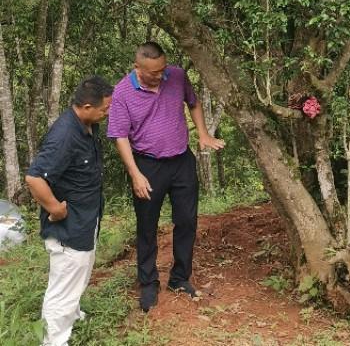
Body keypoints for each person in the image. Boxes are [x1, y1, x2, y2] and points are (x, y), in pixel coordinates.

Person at [107, 41, 224, 312]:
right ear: (137, 67)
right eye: (153, 72)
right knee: (147, 226)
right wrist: (135, 174)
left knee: (187, 220)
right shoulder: (123, 92)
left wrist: (203, 134)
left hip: (181, 160)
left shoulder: (177, 75)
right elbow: (120, 136)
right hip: (147, 165)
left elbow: (192, 103)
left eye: (162, 69)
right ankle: (148, 282)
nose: (160, 75)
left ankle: (180, 278)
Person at [25, 76, 113, 346]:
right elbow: (34, 178)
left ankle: (72, 314)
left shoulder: (87, 125)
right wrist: (55, 208)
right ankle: (53, 341)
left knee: (80, 271)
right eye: (104, 109)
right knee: (63, 285)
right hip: (69, 226)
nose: (107, 113)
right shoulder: (64, 135)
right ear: (87, 107)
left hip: (86, 218)